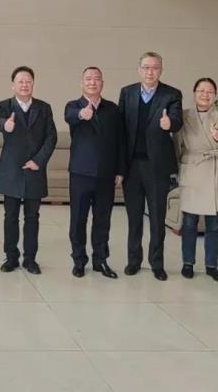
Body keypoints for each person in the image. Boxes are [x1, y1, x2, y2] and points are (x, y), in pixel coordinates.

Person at [119, 51, 183, 281]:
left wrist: (169, 123)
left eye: (155, 68)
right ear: (139, 70)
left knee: (157, 217)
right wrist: (119, 167)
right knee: (134, 217)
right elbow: (120, 131)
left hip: (157, 166)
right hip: (132, 166)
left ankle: (157, 263)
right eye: (146, 67)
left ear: (161, 70)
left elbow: (177, 121)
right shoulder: (127, 92)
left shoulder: (172, 94)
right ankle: (133, 261)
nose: (150, 72)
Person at [0, 66, 56, 275]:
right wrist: (5, 125)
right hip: (11, 170)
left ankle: (30, 259)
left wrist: (39, 160)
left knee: (32, 217)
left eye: (28, 81)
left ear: (33, 84)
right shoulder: (4, 106)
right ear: (13, 85)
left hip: (34, 169)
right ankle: (11, 257)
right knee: (10, 216)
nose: (24, 85)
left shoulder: (44, 108)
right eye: (20, 81)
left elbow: (51, 137)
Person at [64, 67, 125, 279]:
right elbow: (70, 117)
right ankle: (79, 260)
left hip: (106, 175)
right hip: (80, 173)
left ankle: (101, 260)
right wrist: (82, 114)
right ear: (81, 83)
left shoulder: (113, 109)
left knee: (103, 220)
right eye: (88, 79)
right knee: (78, 220)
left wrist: (120, 170)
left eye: (97, 79)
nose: (92, 82)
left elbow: (120, 141)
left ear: (102, 83)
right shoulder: (73, 106)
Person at [175, 77, 218, 283]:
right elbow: (177, 143)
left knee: (214, 224)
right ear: (194, 93)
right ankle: (187, 263)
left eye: (210, 91)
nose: (205, 95)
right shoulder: (185, 115)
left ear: (215, 95)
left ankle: (212, 266)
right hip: (192, 168)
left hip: (215, 169)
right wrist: (176, 170)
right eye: (201, 91)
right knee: (189, 222)